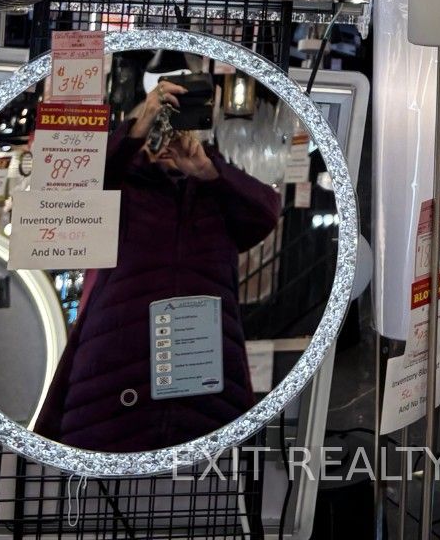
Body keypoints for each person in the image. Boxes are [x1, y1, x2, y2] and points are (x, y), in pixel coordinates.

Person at [34, 74, 282, 452]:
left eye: (175, 126)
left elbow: (265, 213)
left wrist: (209, 172)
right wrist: (135, 132)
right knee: (102, 474)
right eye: (158, 127)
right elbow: (67, 195)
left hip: (202, 373)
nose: (165, 139)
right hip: (116, 371)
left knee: (203, 480)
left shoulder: (215, 194)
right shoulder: (120, 188)